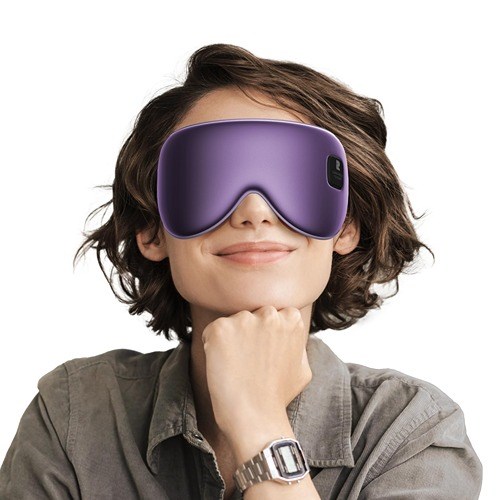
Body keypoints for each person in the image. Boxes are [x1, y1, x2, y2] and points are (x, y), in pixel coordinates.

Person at [0, 43, 482, 499]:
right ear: (152, 230)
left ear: (346, 227)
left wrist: (259, 421)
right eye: (209, 179)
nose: (254, 212)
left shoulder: (411, 431)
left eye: (293, 179)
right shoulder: (73, 415)